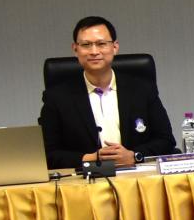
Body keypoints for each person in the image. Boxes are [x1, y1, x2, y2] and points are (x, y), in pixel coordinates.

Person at [38, 15, 176, 169]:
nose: (94, 51)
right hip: (85, 178)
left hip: (135, 174)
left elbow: (166, 140)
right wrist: (89, 158)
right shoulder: (56, 97)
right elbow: (48, 153)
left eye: (101, 44)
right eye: (86, 45)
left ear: (114, 47)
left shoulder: (142, 89)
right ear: (75, 49)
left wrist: (134, 156)